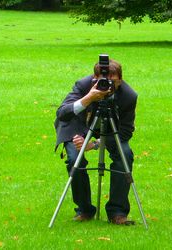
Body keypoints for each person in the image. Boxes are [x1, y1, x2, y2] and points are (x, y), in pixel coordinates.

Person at [54, 58, 137, 225]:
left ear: (120, 80)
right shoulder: (84, 85)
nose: (107, 86)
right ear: (94, 78)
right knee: (74, 157)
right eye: (101, 81)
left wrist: (96, 144)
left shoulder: (128, 96)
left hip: (111, 128)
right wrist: (88, 98)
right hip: (78, 124)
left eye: (112, 82)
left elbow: (126, 131)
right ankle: (84, 209)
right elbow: (62, 113)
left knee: (125, 155)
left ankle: (117, 212)